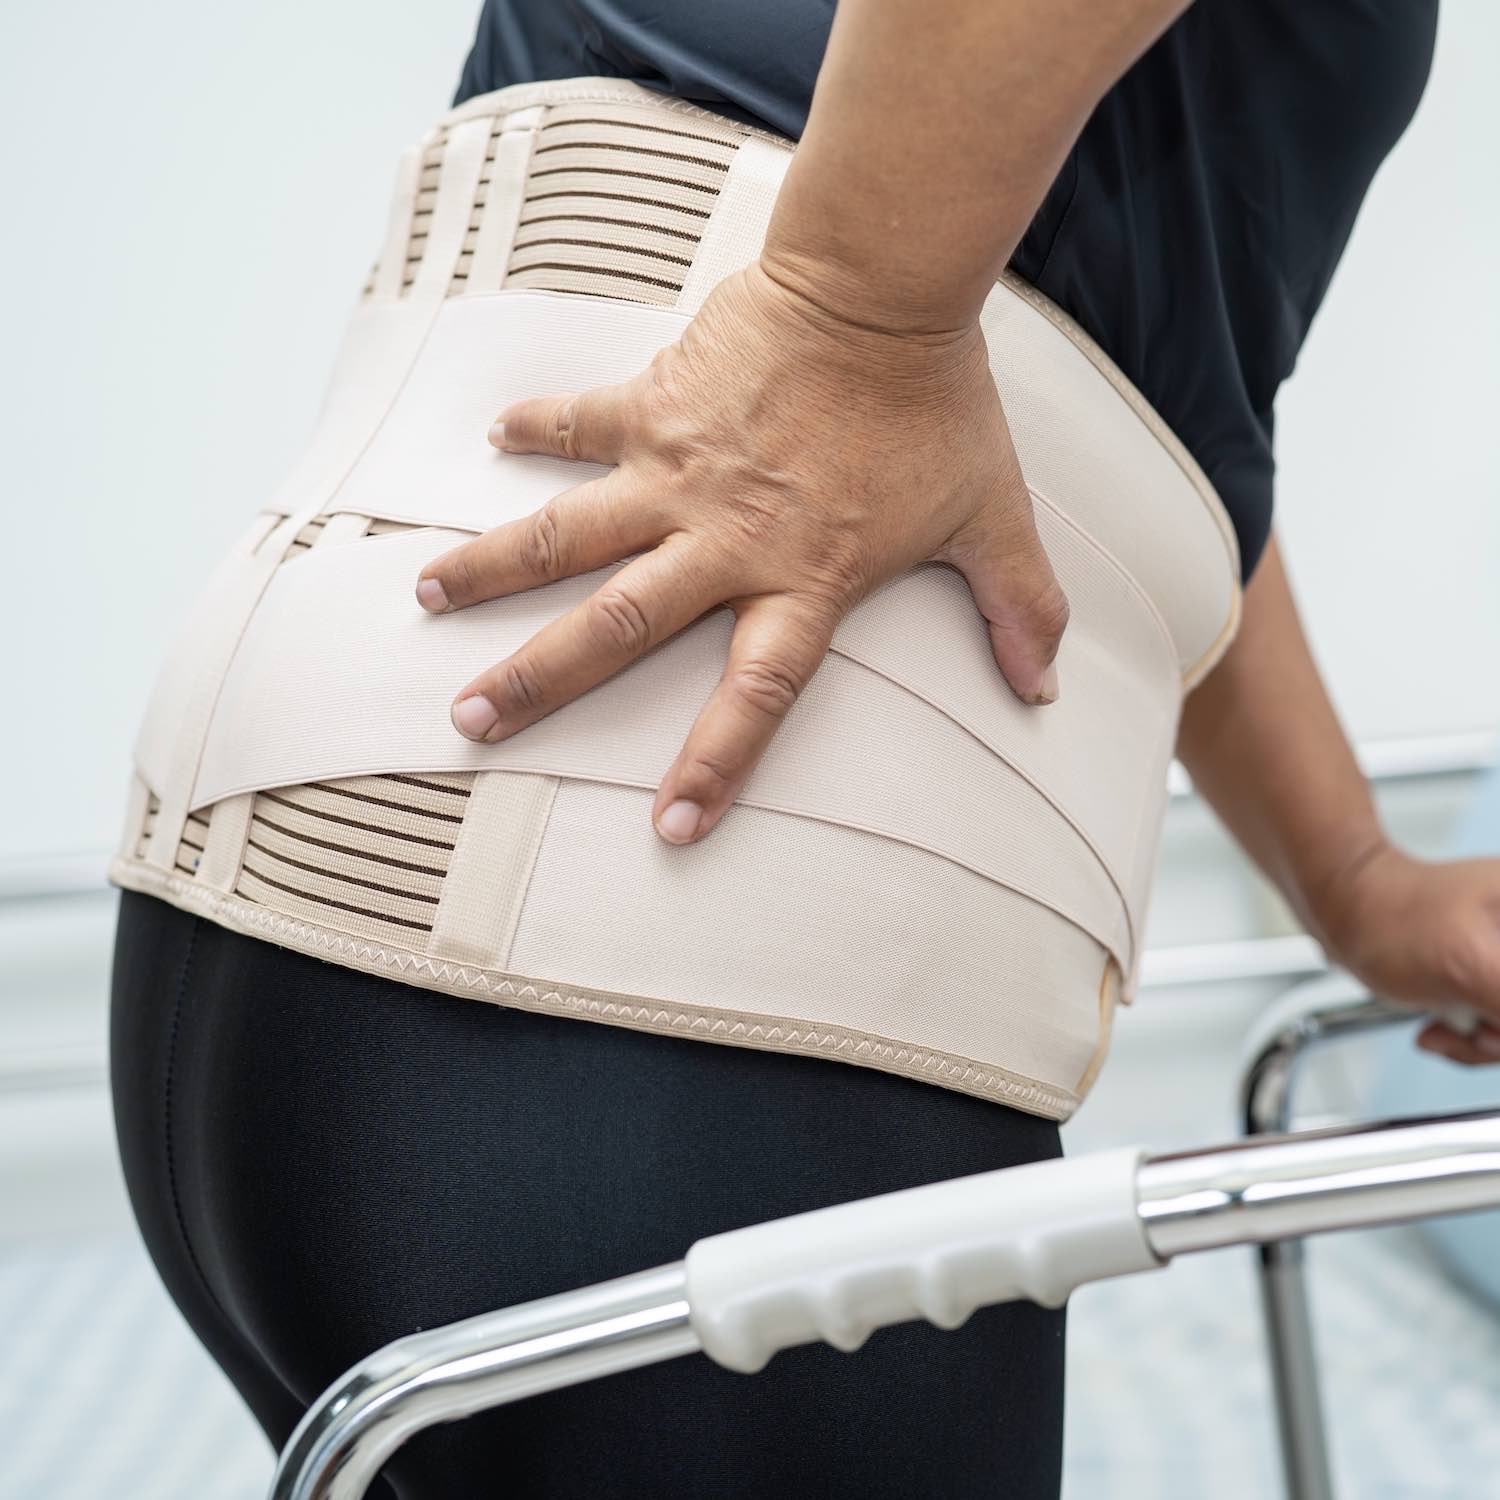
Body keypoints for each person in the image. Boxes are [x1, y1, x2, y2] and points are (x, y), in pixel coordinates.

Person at [110, 2, 1500, 1496]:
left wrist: (1350, 870)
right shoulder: (875, 301)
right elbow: (897, 372)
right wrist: (855, 318)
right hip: (668, 996)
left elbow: (1124, 429)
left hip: (313, 951)